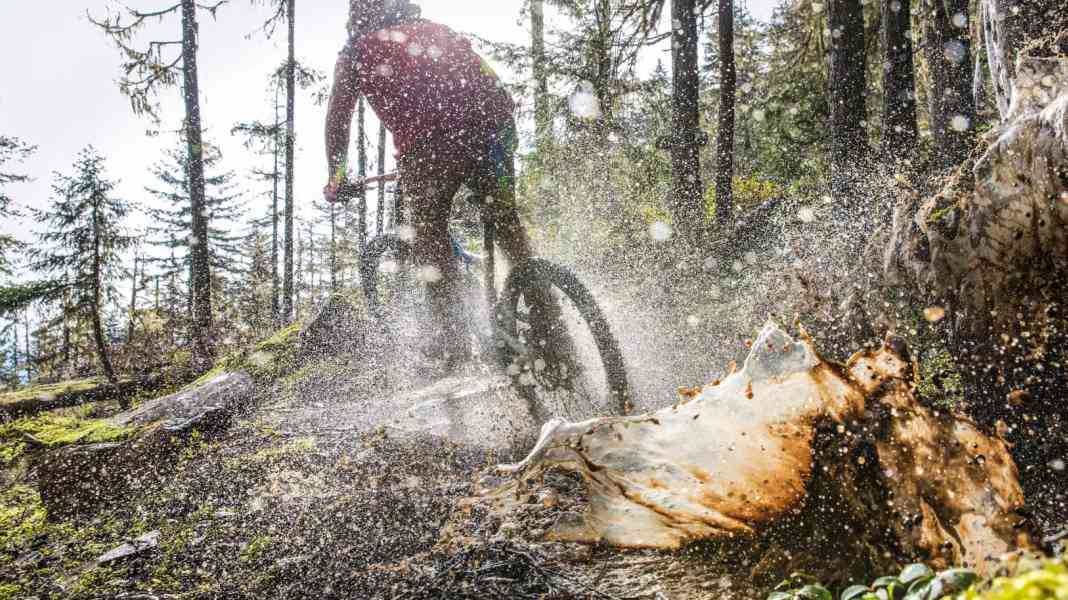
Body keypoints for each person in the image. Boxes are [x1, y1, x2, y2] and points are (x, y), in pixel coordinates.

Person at [323, 0, 540, 364]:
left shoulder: (356, 52)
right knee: (505, 223)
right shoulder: (441, 31)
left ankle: (451, 344)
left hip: (429, 146)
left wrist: (336, 178)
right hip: (495, 129)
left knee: (429, 234)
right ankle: (551, 327)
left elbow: (338, 119)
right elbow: (496, 86)